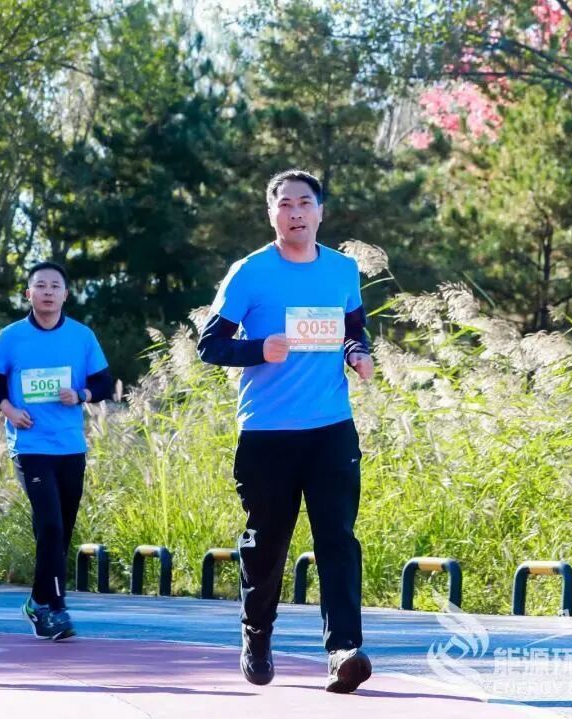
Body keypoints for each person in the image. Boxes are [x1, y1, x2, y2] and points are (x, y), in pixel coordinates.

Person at [197, 169, 374, 693]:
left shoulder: (343, 269)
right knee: (268, 544)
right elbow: (210, 345)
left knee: (337, 539)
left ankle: (343, 651)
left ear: (320, 212)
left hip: (331, 429)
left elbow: (353, 331)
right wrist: (258, 349)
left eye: (304, 203)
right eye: (285, 204)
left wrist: (358, 354)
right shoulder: (249, 272)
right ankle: (256, 633)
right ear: (271, 213)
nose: (295, 212)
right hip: (268, 432)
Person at [0, 261, 113, 641]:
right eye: (40, 286)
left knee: (60, 531)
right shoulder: (11, 337)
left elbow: (104, 382)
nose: (48, 292)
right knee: (50, 524)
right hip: (30, 446)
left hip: (70, 446)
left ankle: (37, 600)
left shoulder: (82, 336)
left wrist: (81, 394)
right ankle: (55, 608)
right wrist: (10, 410)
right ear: (29, 294)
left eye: (55, 286)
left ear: (65, 294)